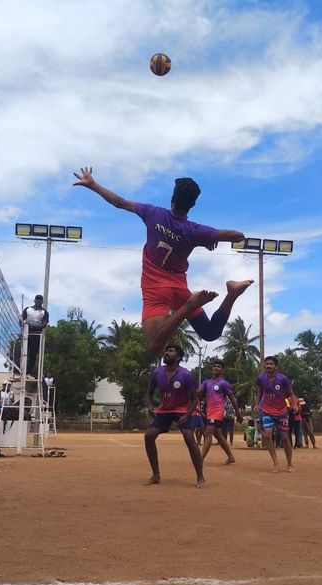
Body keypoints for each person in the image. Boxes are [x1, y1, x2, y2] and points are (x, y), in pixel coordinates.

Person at [73, 167, 253, 356]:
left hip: (155, 290)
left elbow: (119, 203)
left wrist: (92, 184)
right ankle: (232, 294)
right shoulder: (194, 231)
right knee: (210, 332)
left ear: (172, 199)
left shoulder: (153, 213)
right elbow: (238, 236)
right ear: (192, 205)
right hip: (178, 288)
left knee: (153, 346)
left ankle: (189, 306)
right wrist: (211, 238)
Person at [143, 345, 205, 488]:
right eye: (166, 350)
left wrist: (187, 414)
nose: (167, 352)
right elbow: (149, 392)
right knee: (149, 436)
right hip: (165, 409)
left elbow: (195, 398)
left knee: (189, 437)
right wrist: (150, 405)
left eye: (171, 351)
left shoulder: (186, 375)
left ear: (178, 357)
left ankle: (200, 477)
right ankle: (156, 474)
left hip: (183, 408)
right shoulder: (157, 372)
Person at [255, 356, 296, 473]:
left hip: (282, 411)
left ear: (276, 366)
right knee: (268, 435)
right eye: (266, 364)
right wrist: (257, 404)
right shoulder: (261, 378)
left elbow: (290, 393)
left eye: (271, 364)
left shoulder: (283, 379)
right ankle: (275, 463)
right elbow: (260, 392)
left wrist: (294, 405)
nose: (268, 366)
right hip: (267, 411)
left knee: (284, 438)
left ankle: (290, 463)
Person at [198, 360, 242, 464]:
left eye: (218, 367)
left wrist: (238, 413)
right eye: (214, 366)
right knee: (217, 435)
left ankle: (200, 459)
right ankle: (231, 457)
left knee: (208, 431)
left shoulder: (223, 384)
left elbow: (232, 398)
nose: (216, 368)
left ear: (222, 370)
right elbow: (198, 392)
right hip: (209, 412)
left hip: (218, 412)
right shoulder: (206, 382)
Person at [22, 295, 49, 375]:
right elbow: (21, 320)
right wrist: (24, 324)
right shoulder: (28, 309)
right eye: (37, 300)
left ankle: (29, 372)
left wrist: (33, 326)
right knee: (23, 352)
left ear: (42, 302)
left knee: (32, 354)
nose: (38, 302)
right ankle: (21, 370)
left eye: (40, 301)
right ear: (34, 300)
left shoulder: (44, 312)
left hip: (36, 335)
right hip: (26, 334)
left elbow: (44, 325)